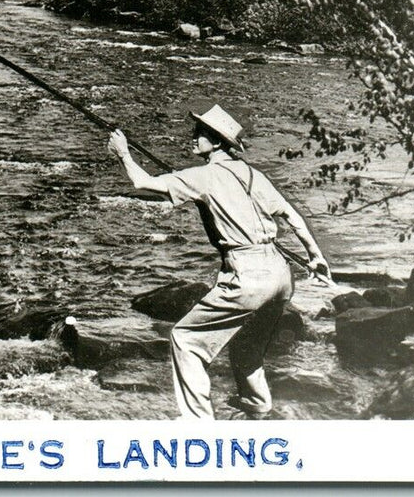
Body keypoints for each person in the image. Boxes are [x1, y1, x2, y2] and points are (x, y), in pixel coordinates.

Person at [108, 104, 331, 420]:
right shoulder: (255, 174)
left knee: (186, 341)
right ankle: (258, 409)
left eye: (198, 133)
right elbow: (292, 217)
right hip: (281, 274)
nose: (192, 138)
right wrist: (315, 257)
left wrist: (123, 154)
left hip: (246, 275)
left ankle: (200, 428)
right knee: (247, 347)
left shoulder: (203, 176)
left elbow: (142, 183)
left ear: (215, 141)